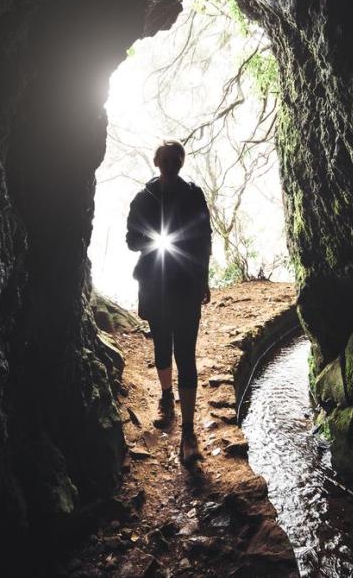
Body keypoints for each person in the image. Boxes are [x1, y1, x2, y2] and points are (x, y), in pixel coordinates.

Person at [126, 140, 212, 465]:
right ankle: (166, 398)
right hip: (153, 284)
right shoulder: (142, 199)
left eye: (176, 158)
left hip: (186, 285)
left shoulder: (194, 196)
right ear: (156, 161)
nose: (170, 163)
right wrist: (154, 240)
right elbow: (132, 240)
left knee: (185, 354)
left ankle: (188, 431)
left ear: (181, 162)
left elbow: (204, 238)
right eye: (166, 158)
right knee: (162, 345)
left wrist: (203, 278)